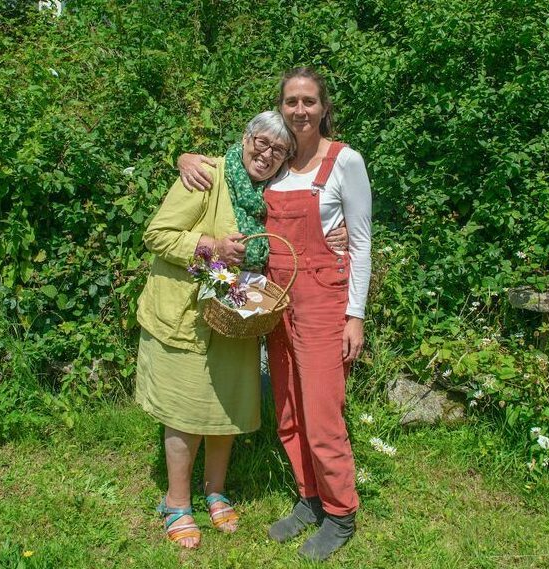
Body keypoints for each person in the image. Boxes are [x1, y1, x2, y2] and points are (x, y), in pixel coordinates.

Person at [177, 67, 372, 561]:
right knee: (286, 406)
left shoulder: (344, 161)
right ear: (281, 107)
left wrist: (356, 316)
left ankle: (341, 512)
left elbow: (362, 243)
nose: (300, 110)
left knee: (322, 412)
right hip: (277, 302)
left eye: (309, 101)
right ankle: (309, 498)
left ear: (324, 107)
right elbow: (227, 166)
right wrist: (184, 158)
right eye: (291, 101)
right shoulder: (278, 166)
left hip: (325, 302)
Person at [136, 110, 295, 549]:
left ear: (284, 159)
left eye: (277, 150)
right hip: (188, 316)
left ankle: (215, 490)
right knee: (185, 414)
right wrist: (211, 248)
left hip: (236, 319)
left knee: (224, 410)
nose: (265, 153)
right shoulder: (206, 174)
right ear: (245, 138)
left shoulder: (272, 194)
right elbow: (158, 234)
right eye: (260, 141)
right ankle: (176, 502)